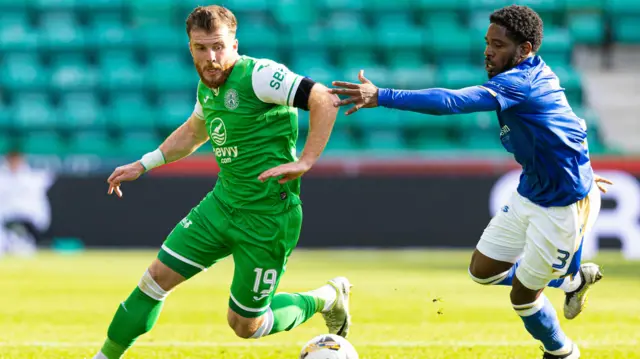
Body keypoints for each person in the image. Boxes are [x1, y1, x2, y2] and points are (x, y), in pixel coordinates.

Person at [330, 5, 611, 359]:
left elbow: (452, 102)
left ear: (524, 50)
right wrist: (579, 166)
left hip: (561, 208)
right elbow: (571, 124)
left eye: (498, 45)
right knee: (482, 272)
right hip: (531, 192)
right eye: (486, 42)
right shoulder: (531, 75)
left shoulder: (520, 83)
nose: (487, 51)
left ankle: (562, 353)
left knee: (522, 297)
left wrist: (383, 96)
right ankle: (571, 280)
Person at [93, 6, 349, 359]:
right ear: (190, 48)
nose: (211, 58)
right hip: (221, 205)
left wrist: (305, 160)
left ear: (234, 44)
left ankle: (327, 297)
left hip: (267, 219)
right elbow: (194, 132)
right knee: (154, 280)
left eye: (218, 47)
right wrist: (144, 163)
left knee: (246, 326)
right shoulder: (207, 87)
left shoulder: (259, 75)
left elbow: (324, 97)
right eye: (201, 48)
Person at [0, 148, 55, 256]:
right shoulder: (2, 176)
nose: (14, 161)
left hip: (29, 223)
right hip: (4, 223)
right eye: (11, 158)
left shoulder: (34, 176)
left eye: (17, 158)